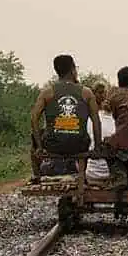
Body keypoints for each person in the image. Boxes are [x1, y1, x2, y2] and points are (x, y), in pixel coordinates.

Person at [29, 54, 101, 182]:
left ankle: (37, 176)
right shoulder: (86, 92)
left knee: (34, 138)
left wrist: (40, 147)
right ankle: (81, 176)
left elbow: (34, 118)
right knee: (84, 138)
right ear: (73, 70)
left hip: (53, 145)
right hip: (79, 145)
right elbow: (96, 121)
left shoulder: (47, 92)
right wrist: (97, 148)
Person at [85, 82, 116, 183]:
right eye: (100, 93)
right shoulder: (120, 122)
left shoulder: (89, 118)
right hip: (113, 173)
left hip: (91, 172)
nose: (103, 96)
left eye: (105, 93)